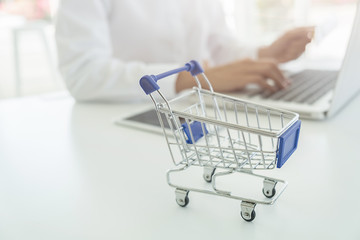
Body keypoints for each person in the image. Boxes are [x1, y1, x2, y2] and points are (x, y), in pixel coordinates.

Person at [55, 0, 313, 102]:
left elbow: (218, 46)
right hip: (122, 120)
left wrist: (266, 54)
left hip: (198, 113)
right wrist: (188, 78)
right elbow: (83, 73)